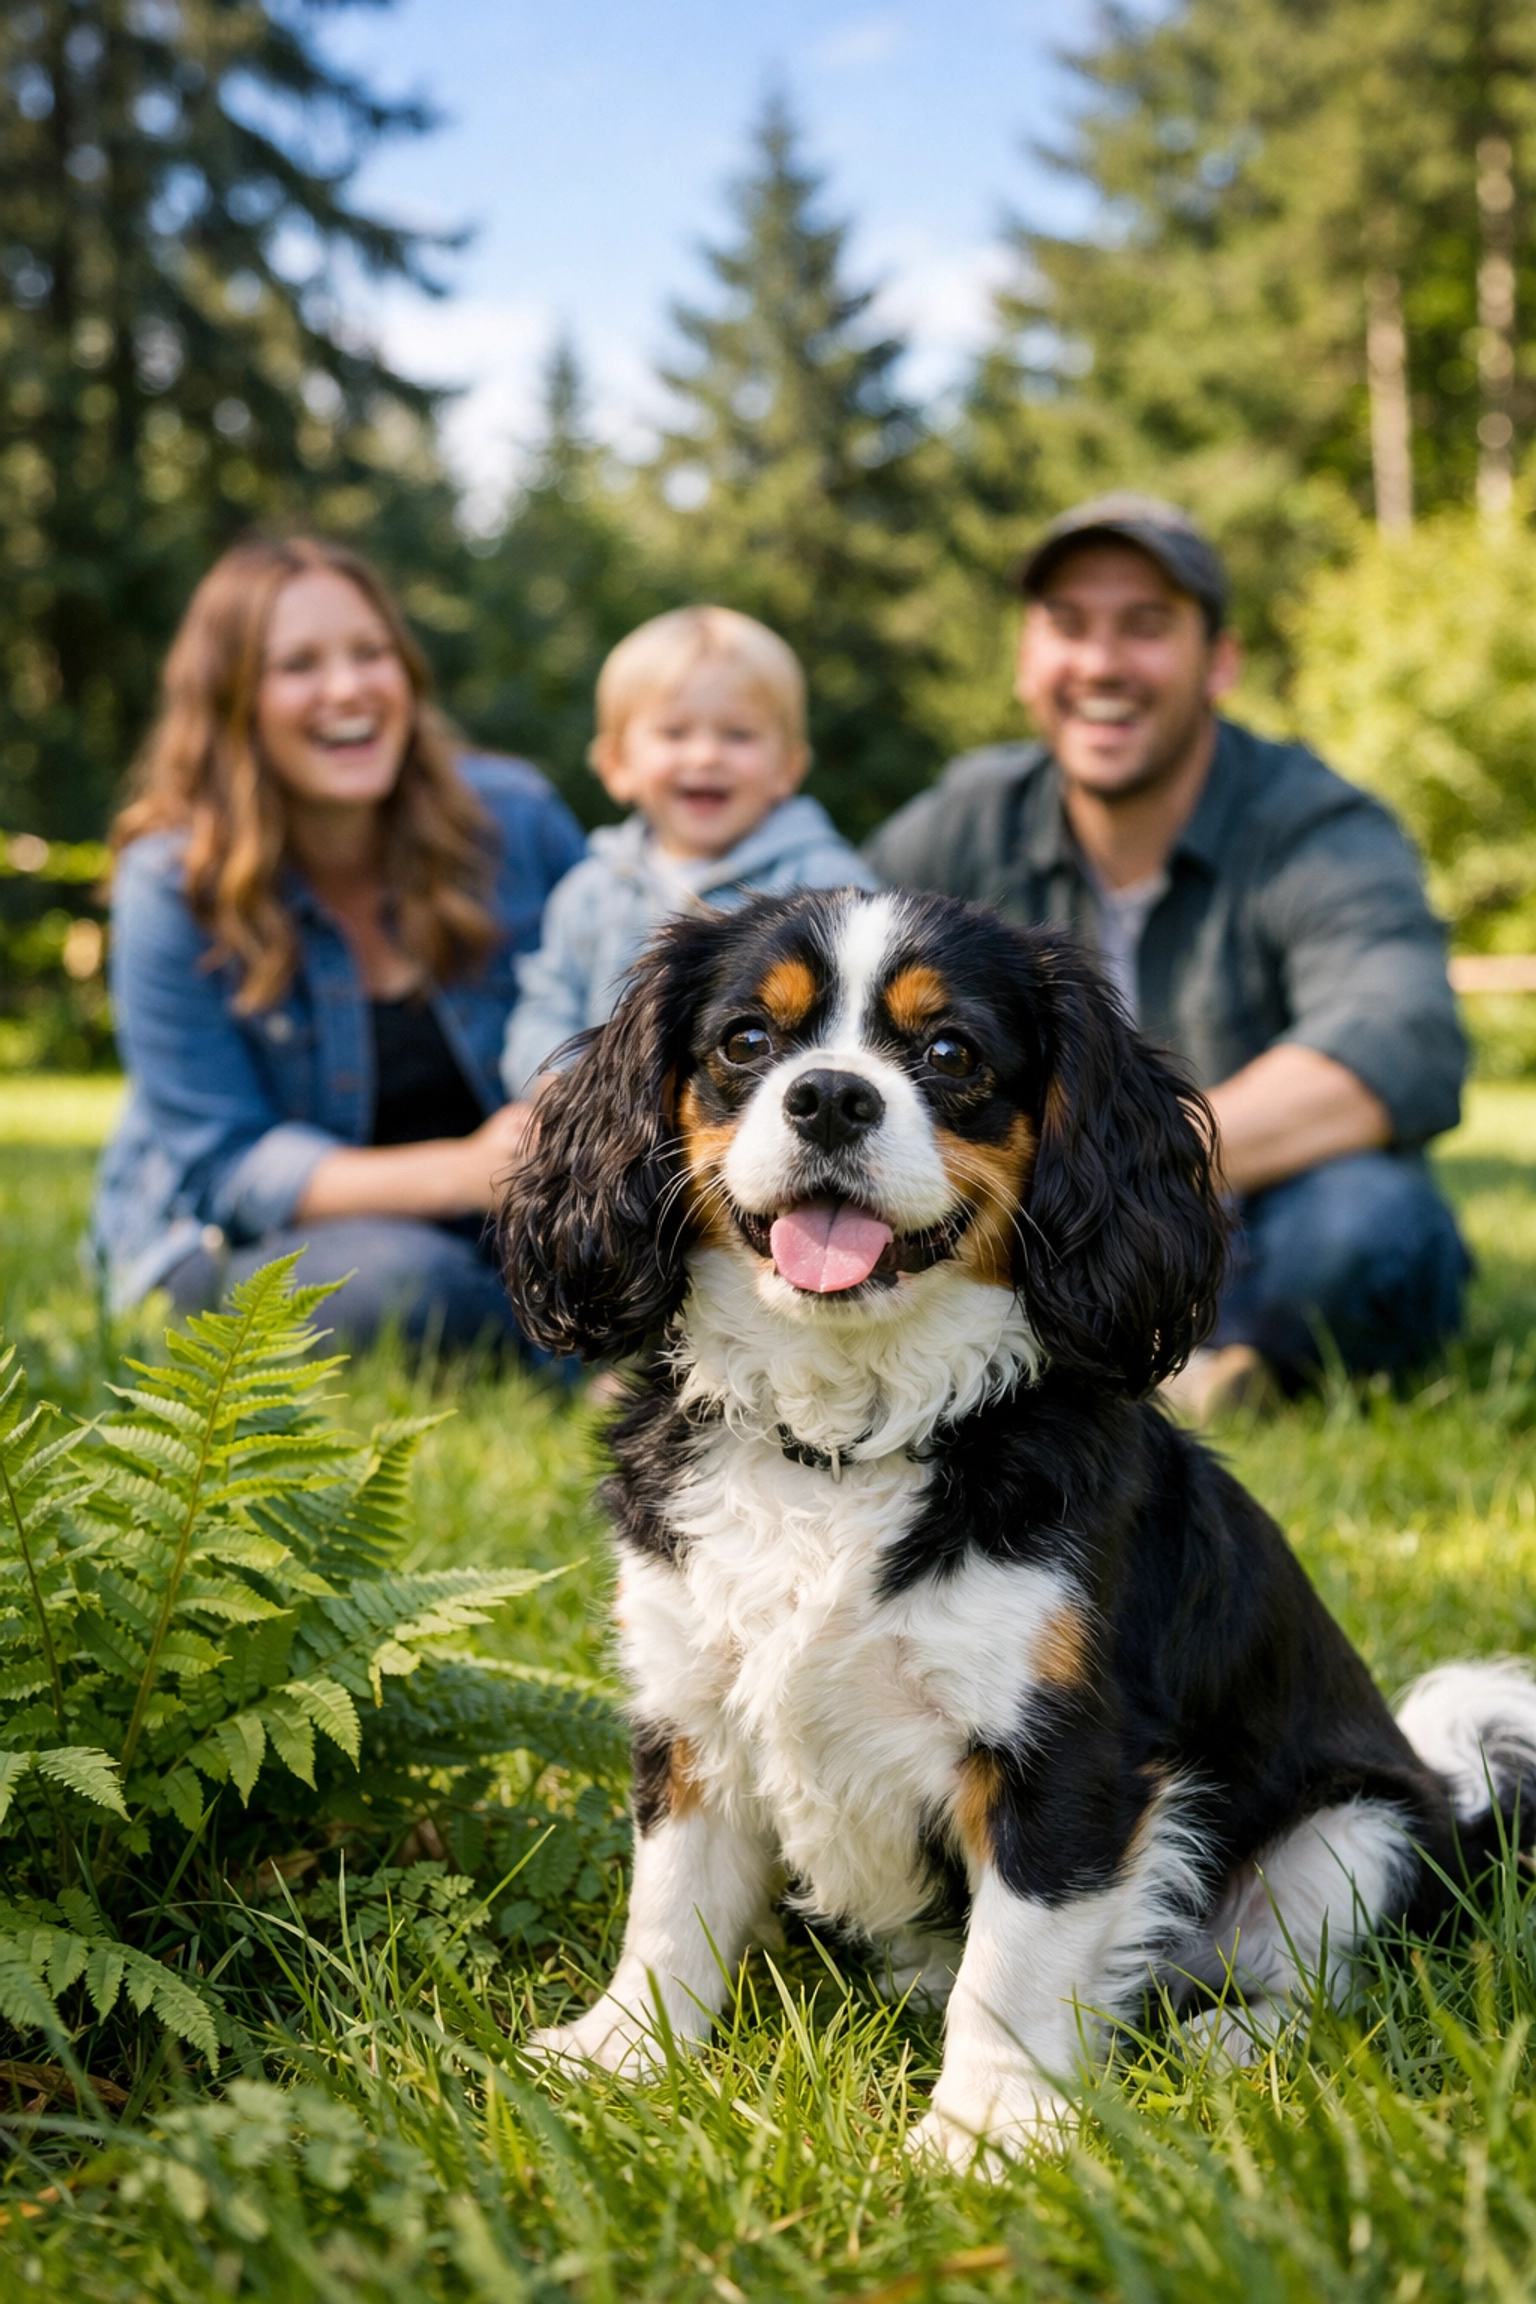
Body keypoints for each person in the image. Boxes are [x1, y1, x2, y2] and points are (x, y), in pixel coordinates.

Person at [866, 493, 1470, 1418]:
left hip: (1249, 1215)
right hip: (1036, 1221)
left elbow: (1399, 1036)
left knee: (1365, 1229)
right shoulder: (964, 822)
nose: (1102, 664)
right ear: (1028, 660)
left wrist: (1115, 1172)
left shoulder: (1317, 827)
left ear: (1218, 661)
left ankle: (1199, 1364)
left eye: (1146, 627)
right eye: (1068, 626)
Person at [93, 535, 586, 1351]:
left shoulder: (516, 820)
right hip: (245, 1239)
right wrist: (471, 1171)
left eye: (371, 653)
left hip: (504, 1223)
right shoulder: (172, 885)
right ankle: (545, 1340)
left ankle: (546, 1326)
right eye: (299, 666)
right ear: (232, 700)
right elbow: (226, 1164)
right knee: (405, 1288)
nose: (349, 689)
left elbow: (614, 999)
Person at [502, 605, 878, 1098]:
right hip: (610, 1136)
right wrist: (567, 1089)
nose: (705, 755)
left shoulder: (827, 883)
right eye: (674, 733)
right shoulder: (590, 889)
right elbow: (544, 1009)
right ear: (617, 765)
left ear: (788, 766)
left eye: (738, 734)